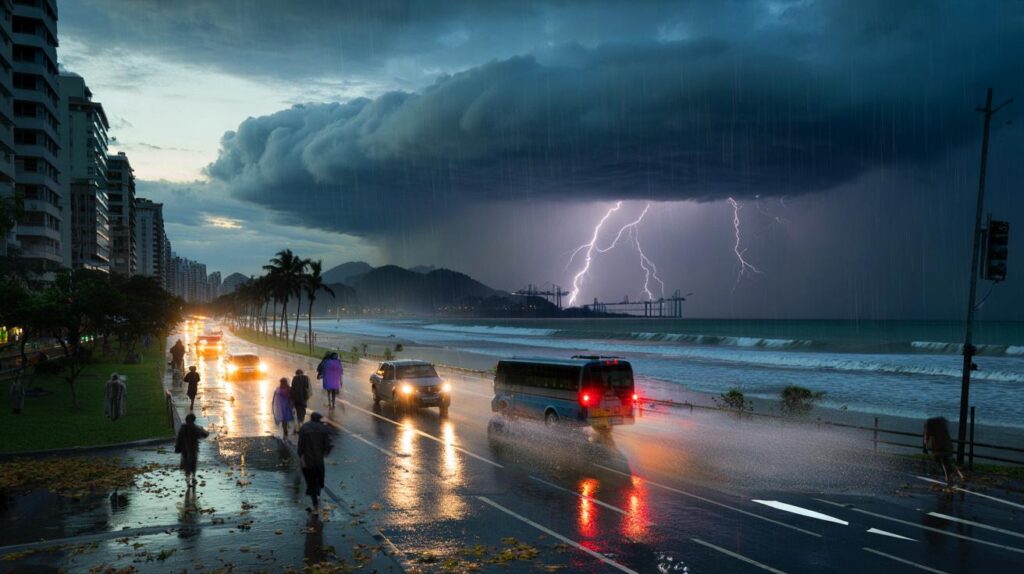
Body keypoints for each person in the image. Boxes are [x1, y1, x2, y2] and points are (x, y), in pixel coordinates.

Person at [297, 412, 333, 511]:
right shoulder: (324, 429)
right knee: (319, 479)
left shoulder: (304, 428)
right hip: (319, 460)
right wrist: (326, 452)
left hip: (308, 460)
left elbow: (300, 445)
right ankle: (316, 495)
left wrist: (300, 455)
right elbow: (328, 445)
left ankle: (314, 502)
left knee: (310, 480)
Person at [923, 416, 964, 482]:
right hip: (946, 446)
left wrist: (926, 446)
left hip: (938, 447)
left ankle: (948, 476)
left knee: (941, 461)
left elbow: (926, 436)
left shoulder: (930, 427)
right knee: (946, 461)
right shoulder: (943, 428)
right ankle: (956, 474)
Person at [174, 413, 209, 488]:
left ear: (186, 420)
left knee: (186, 463)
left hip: (185, 449)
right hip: (193, 449)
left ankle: (187, 478)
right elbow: (204, 434)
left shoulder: (183, 428)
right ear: (193, 420)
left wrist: (177, 447)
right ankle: (193, 477)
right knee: (193, 463)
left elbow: (179, 438)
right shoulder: (195, 428)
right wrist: (204, 430)